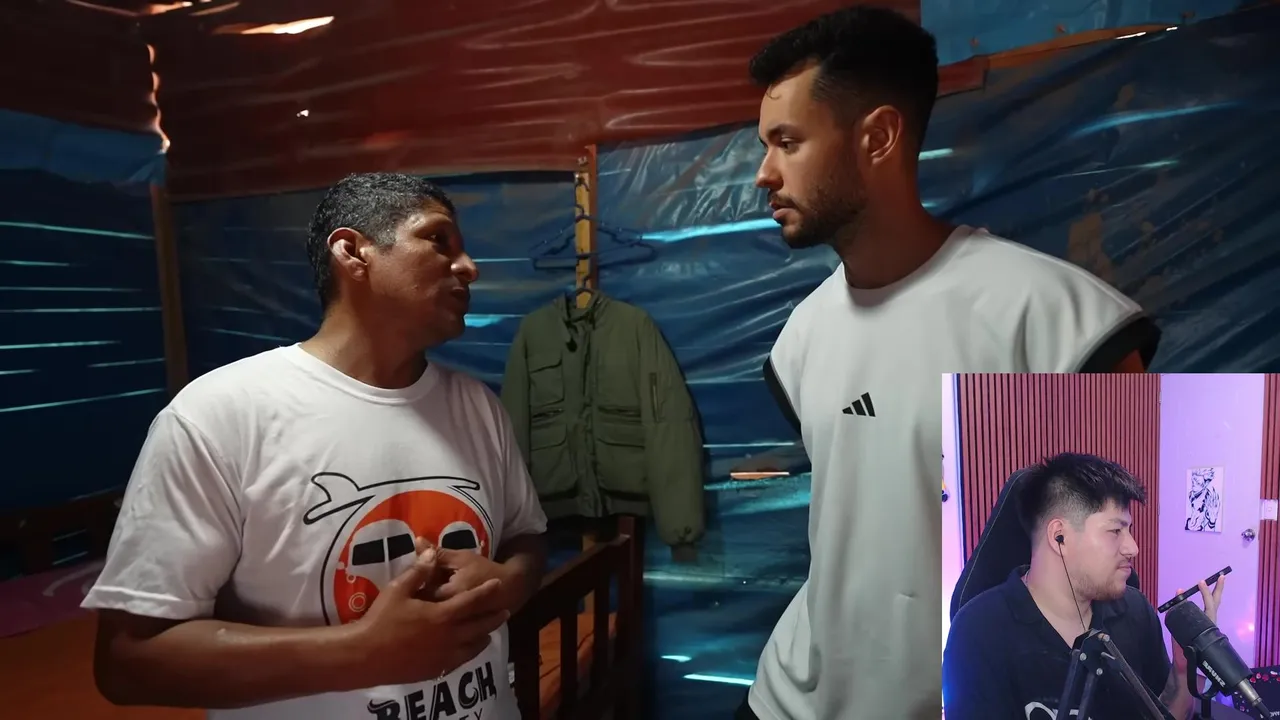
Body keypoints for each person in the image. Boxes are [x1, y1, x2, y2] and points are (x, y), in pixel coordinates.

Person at [740, 6, 1161, 720]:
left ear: (878, 137)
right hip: (784, 700)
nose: (763, 173)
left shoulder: (1056, 321)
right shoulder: (799, 339)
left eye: (787, 142)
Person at [82, 173, 549, 720]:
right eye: (438, 240)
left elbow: (526, 537)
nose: (469, 267)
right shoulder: (219, 416)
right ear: (352, 252)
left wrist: (509, 582)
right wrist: (361, 652)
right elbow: (129, 660)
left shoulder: (477, 407)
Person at [942, 453, 1225, 719]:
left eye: (1128, 530)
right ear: (1060, 537)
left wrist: (1185, 670)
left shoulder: (1136, 611)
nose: (1133, 548)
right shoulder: (979, 632)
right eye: (1115, 530)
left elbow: (1168, 712)